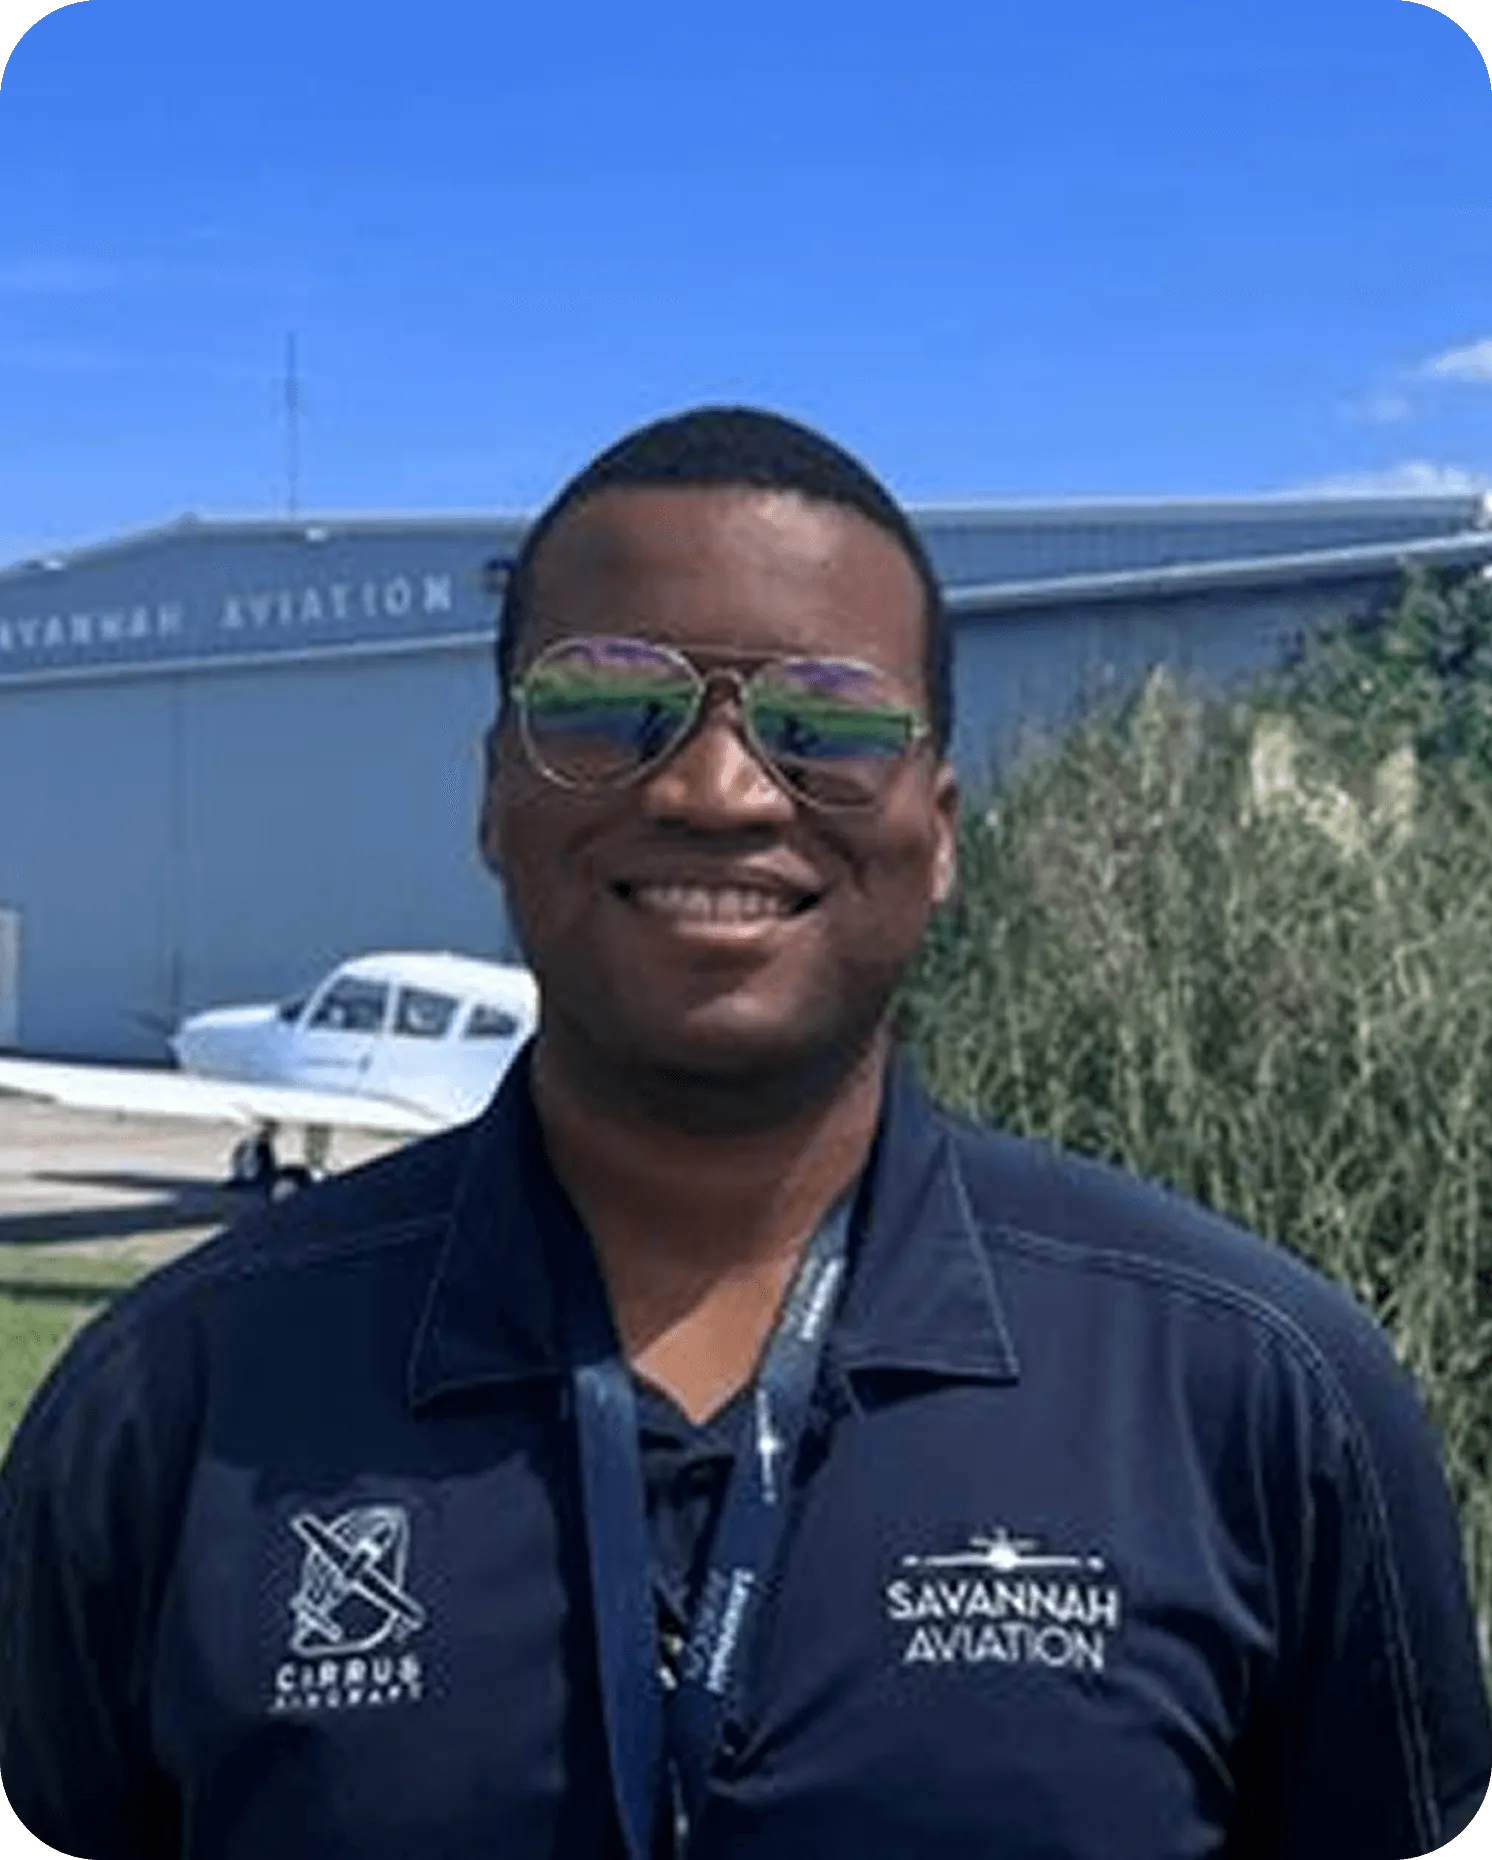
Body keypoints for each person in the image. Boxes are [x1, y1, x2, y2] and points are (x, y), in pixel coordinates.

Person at [1, 406, 1488, 1860]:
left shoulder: (1257, 1394)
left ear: (941, 830)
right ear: (493, 797)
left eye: (826, 722)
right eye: (604, 705)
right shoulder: (169, 1407)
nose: (715, 790)